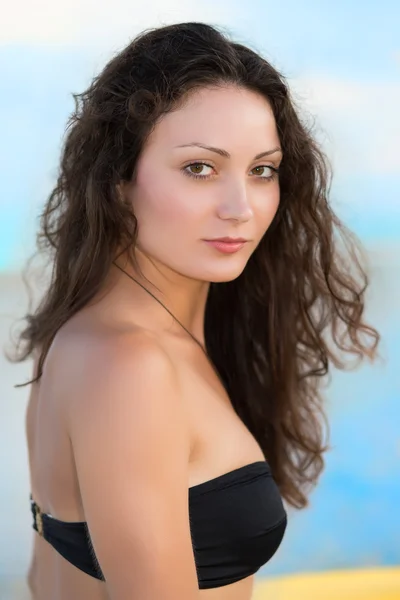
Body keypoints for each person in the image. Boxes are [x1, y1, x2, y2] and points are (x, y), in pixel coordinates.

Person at [11, 21, 380, 600]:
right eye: (199, 168)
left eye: (262, 170)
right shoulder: (129, 365)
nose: (241, 208)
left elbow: (42, 576)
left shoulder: (96, 337)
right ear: (117, 181)